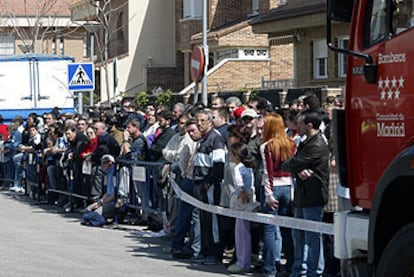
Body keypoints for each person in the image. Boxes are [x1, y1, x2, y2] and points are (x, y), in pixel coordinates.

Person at [282, 111, 330, 277]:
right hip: (302, 195)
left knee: (312, 236)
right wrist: (298, 170)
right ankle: (299, 269)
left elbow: (292, 163)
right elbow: (295, 165)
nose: (298, 126)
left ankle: (314, 271)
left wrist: (295, 167)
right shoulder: (306, 142)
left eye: (301, 124)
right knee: (298, 234)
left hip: (313, 195)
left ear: (309, 125)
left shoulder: (316, 144)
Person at [260, 113, 296, 277]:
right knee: (287, 230)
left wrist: (268, 194)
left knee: (268, 229)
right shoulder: (291, 144)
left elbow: (267, 172)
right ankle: (290, 267)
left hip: (273, 188)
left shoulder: (267, 146)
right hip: (288, 187)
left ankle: (270, 269)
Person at [192, 108, 226, 265]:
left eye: (202, 121)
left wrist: (209, 182)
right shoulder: (203, 139)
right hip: (200, 184)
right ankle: (205, 250)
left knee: (212, 221)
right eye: (197, 120)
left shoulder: (215, 139)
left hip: (210, 185)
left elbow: (218, 165)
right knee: (204, 220)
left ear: (210, 122)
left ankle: (215, 253)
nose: (199, 124)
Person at [227, 142, 257, 274]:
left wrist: (242, 192)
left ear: (236, 155)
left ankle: (242, 262)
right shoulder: (248, 167)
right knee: (244, 231)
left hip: (241, 200)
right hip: (248, 198)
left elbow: (239, 183)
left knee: (241, 232)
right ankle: (244, 260)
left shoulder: (238, 167)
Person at [81, 154, 116, 227]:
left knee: (93, 214)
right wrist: (98, 202)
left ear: (110, 163)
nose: (102, 165)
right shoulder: (107, 174)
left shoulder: (114, 174)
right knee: (87, 211)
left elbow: (114, 195)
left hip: (113, 202)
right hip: (107, 200)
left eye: (104, 163)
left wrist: (101, 203)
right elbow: (107, 192)